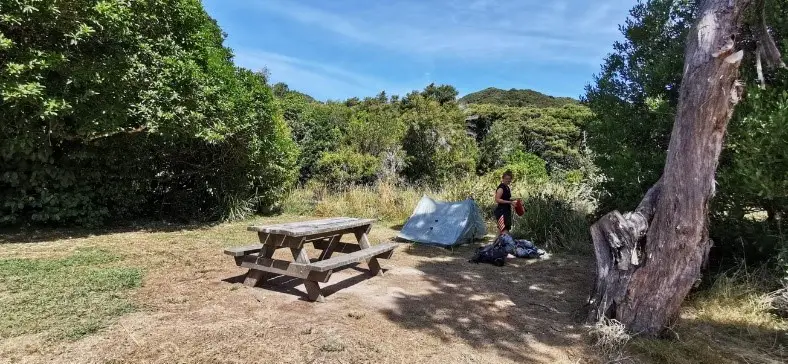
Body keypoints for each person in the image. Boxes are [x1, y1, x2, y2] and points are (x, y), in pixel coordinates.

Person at [493, 170, 519, 236]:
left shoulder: (507, 187)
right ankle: (497, 244)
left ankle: (497, 244)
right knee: (503, 231)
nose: (508, 180)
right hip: (501, 211)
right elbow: (497, 199)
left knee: (503, 230)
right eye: (506, 179)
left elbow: (506, 198)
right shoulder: (501, 188)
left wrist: (514, 200)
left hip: (506, 211)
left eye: (509, 179)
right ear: (503, 179)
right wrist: (510, 202)